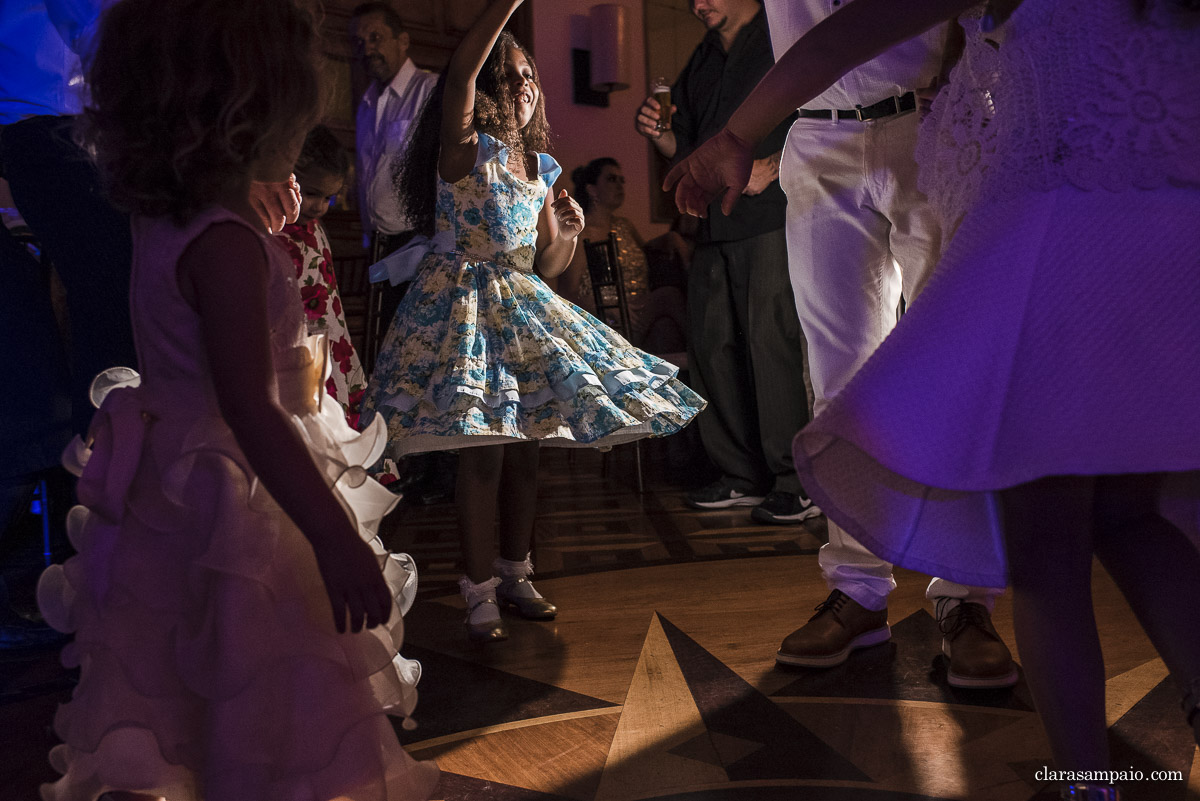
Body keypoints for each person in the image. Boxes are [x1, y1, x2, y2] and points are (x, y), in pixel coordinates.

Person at [665, 0, 1200, 795]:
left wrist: (737, 132)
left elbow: (860, 24)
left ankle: (1085, 779)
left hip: (1052, 237)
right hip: (1165, 232)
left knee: (1048, 543)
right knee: (1131, 514)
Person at [34, 1, 440, 798]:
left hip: (170, 491)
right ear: (247, 113)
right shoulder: (224, 246)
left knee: (185, 686)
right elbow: (250, 408)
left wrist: (253, 214)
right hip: (238, 497)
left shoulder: (164, 216)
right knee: (264, 686)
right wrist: (332, 537)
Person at [689, 0, 1017, 689]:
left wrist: (962, 69)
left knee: (951, 374)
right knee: (837, 380)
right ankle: (859, 588)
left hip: (930, 118)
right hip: (815, 138)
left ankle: (964, 597)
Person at [360, 0, 704, 644]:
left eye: (529, 76)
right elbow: (459, 72)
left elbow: (550, 267)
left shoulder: (539, 167)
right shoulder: (465, 147)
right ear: (486, 90)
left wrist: (569, 235)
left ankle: (516, 572)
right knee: (483, 455)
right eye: (509, 75)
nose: (523, 85)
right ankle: (477, 589)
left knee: (527, 452)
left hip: (520, 305)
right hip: (465, 307)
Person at [634, 0, 817, 525]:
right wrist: (660, 134)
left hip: (772, 213)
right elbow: (686, 144)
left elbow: (819, 112)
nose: (696, 5)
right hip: (712, 221)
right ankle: (741, 476)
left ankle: (794, 481)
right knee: (714, 347)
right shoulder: (702, 57)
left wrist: (776, 163)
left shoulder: (785, 33)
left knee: (771, 343)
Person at [275, 124, 368, 429]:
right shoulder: (273, 233)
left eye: (329, 197)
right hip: (293, 349)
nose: (319, 206)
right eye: (312, 193)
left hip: (327, 340)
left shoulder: (313, 227)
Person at [561, 157, 687, 354]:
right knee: (669, 296)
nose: (620, 185)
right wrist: (610, 306)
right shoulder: (580, 232)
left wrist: (671, 238)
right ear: (592, 189)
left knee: (665, 330)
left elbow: (646, 252)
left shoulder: (624, 225)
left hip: (639, 312)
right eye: (612, 179)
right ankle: (703, 357)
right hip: (606, 319)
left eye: (622, 180)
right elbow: (568, 292)